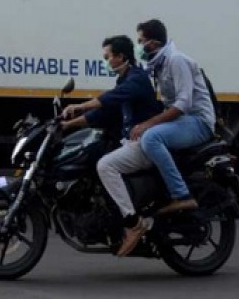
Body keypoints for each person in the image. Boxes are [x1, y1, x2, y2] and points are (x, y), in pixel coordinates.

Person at [60, 35, 162, 257]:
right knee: (91, 155)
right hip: (129, 141)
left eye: (107, 57)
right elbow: (103, 114)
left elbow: (109, 99)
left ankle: (133, 222)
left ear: (121, 57)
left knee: (105, 165)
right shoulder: (124, 79)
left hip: (144, 143)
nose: (105, 61)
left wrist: (78, 106)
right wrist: (68, 125)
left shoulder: (136, 78)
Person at [131, 19, 215, 216]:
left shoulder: (176, 60)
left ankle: (182, 195)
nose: (139, 46)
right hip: (182, 121)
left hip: (198, 122)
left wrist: (147, 124)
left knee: (151, 137)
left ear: (153, 43)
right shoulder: (158, 64)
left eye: (140, 40)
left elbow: (183, 104)